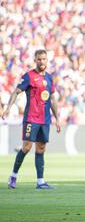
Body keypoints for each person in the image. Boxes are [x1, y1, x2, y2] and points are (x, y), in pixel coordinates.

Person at [1, 49, 61, 189]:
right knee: (27, 147)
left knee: (41, 148)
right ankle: (13, 176)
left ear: (47, 60)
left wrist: (57, 118)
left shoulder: (49, 78)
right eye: (39, 59)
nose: (41, 61)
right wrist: (8, 108)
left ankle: (40, 182)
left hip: (45, 120)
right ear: (35, 60)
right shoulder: (28, 76)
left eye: (44, 59)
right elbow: (16, 92)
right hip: (31, 118)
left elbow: (52, 99)